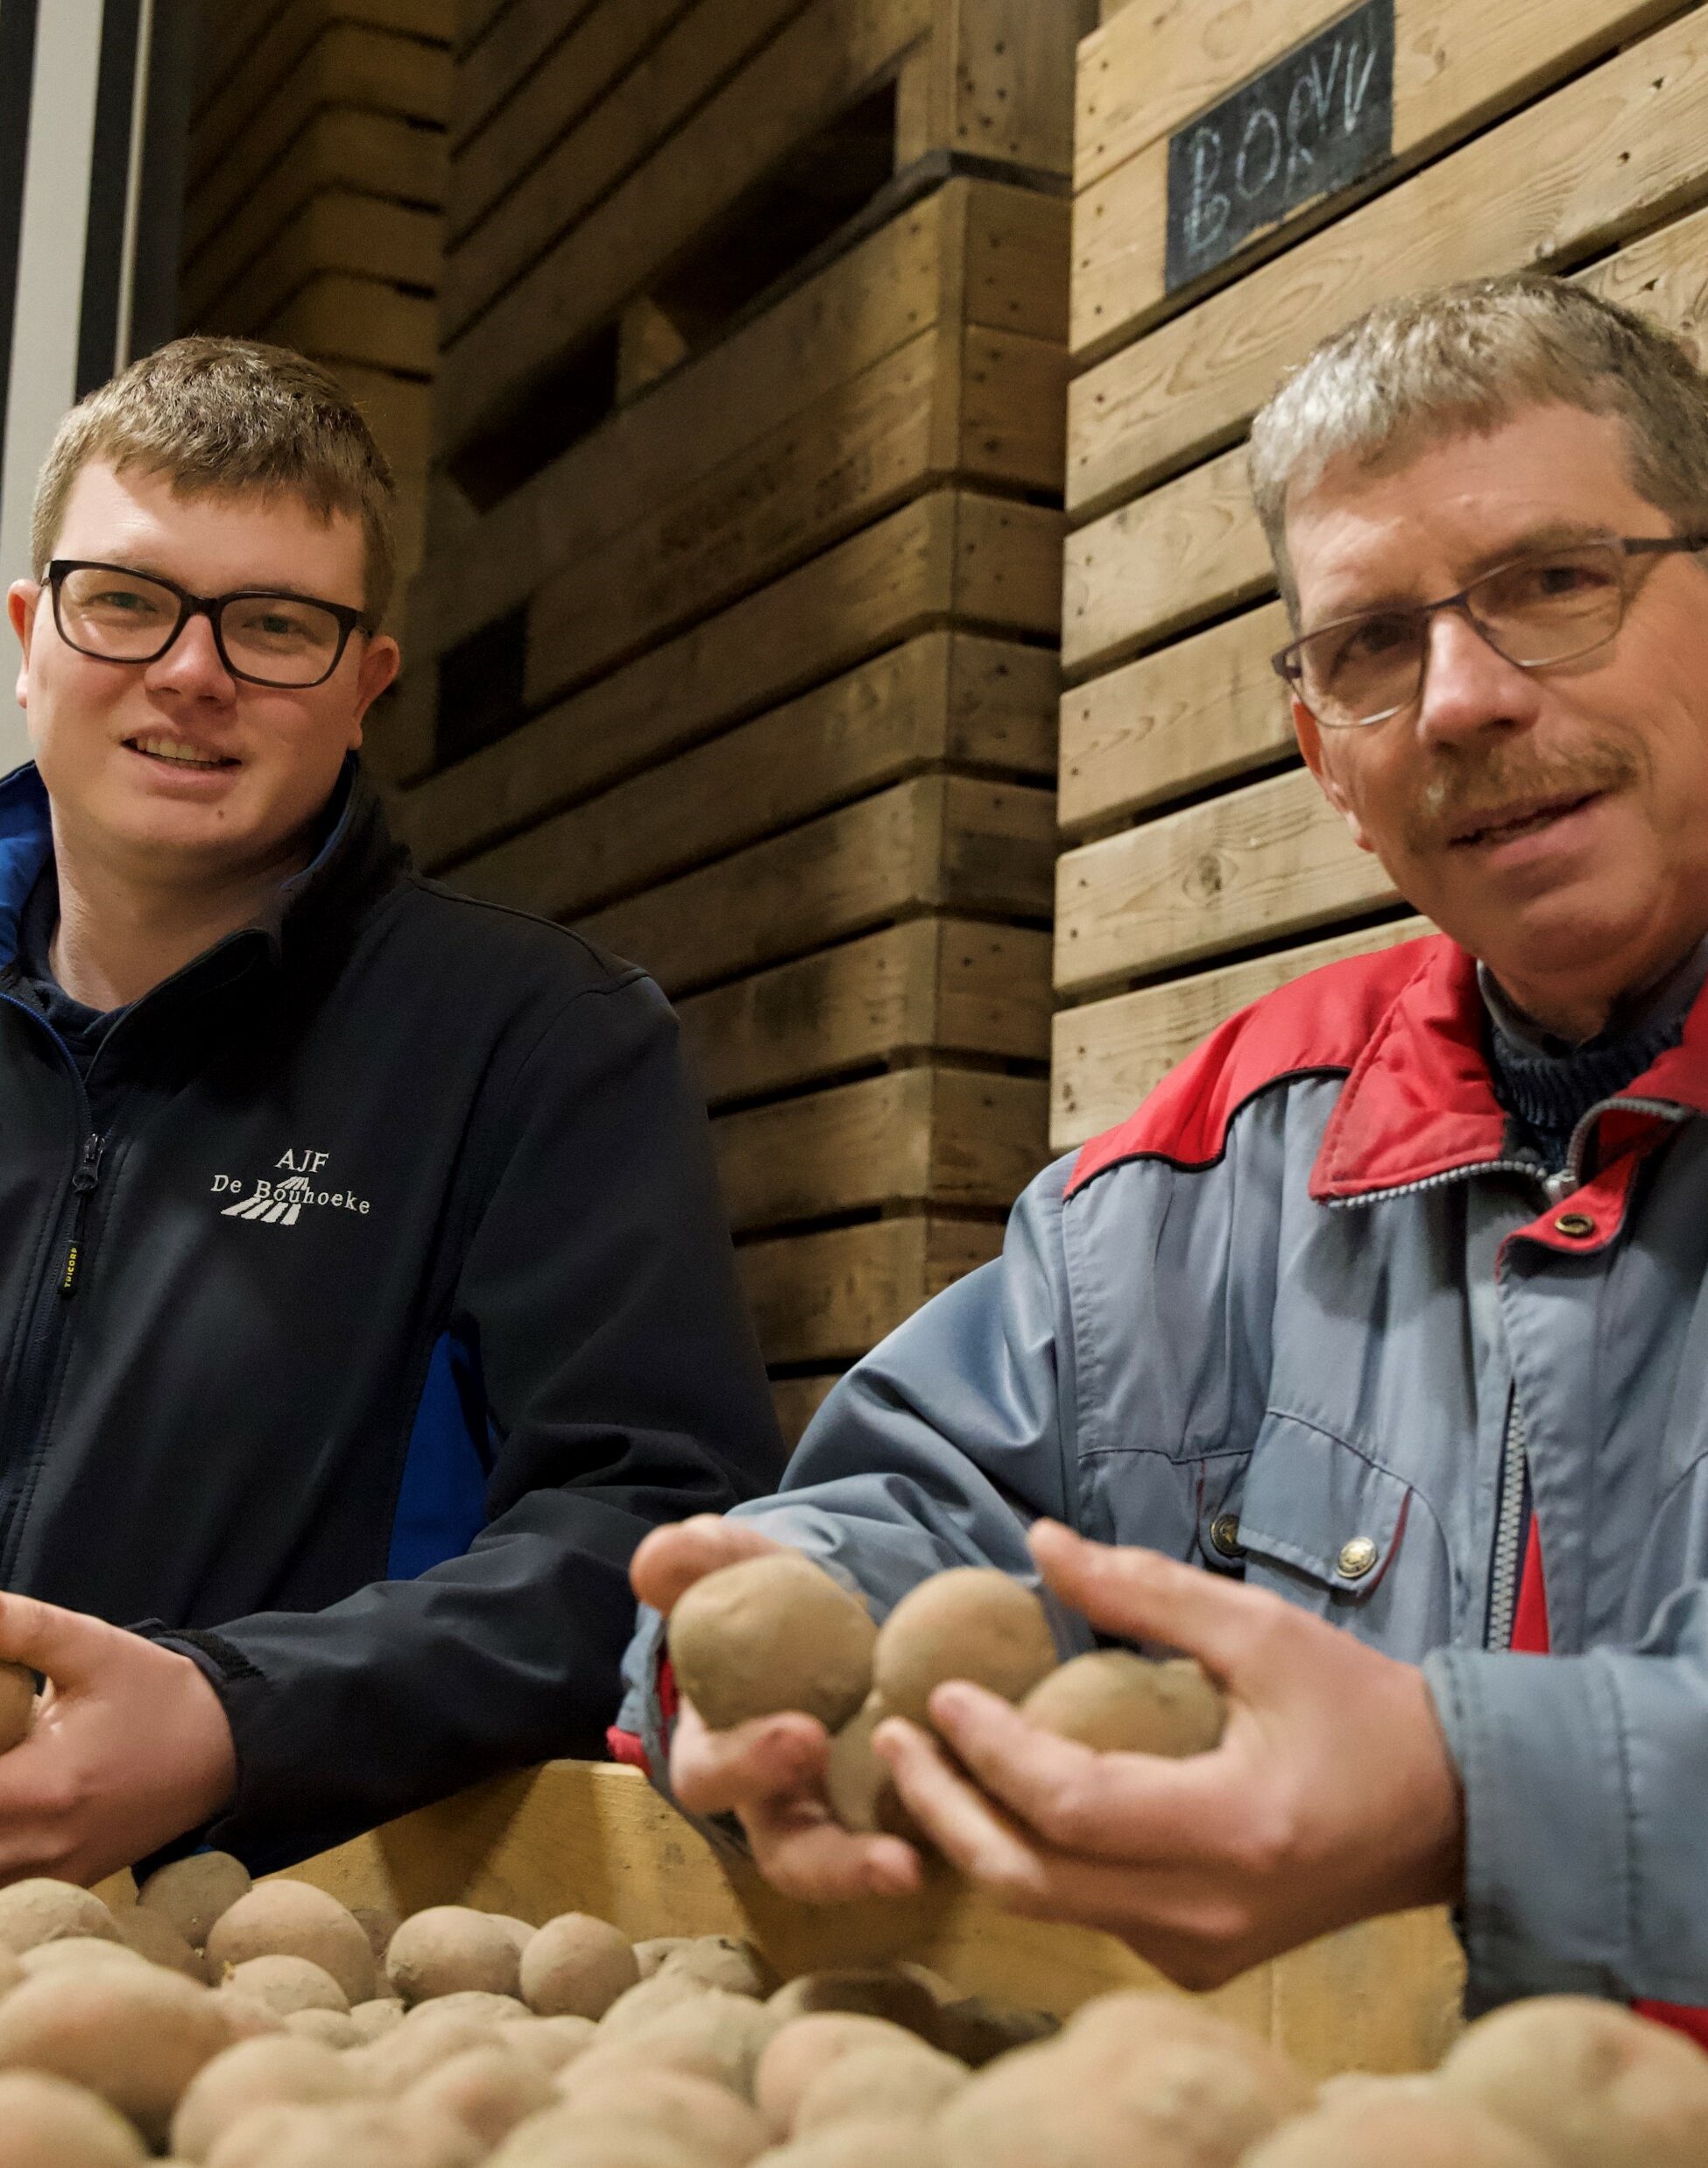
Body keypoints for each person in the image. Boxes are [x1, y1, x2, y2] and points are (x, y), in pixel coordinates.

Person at [620, 273, 1708, 2027]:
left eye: (1555, 584)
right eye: (1372, 645)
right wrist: (756, 1654)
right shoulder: (1208, 1174)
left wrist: (1469, 1788)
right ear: (1325, 762)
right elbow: (925, 1509)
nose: (1460, 699)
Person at [0, 336, 780, 1883]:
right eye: (128, 601)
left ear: (366, 687)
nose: (191, 671)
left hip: (281, 1937)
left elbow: (652, 1528)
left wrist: (239, 1721)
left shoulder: (537, 1046)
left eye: (275, 625)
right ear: (32, 632)